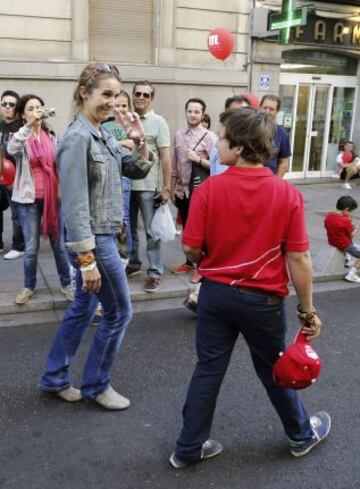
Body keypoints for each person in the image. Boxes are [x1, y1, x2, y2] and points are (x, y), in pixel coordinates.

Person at [169, 108, 330, 469]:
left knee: (208, 369)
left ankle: (188, 448)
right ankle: (300, 436)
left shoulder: (210, 189)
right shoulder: (286, 194)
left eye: (223, 139)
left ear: (239, 148)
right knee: (274, 368)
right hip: (263, 300)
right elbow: (299, 259)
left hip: (215, 294)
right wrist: (308, 309)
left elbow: (190, 248)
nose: (218, 145)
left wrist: (208, 257)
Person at [39, 63, 154, 409]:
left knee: (83, 308)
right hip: (95, 240)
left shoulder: (101, 132)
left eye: (116, 94)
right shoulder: (77, 138)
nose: (112, 101)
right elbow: (73, 206)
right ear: (83, 94)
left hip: (102, 237)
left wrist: (139, 138)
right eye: (105, 94)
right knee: (119, 312)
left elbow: (134, 167)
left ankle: (55, 377)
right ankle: (96, 385)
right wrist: (87, 260)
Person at [7, 94, 74, 305]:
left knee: (60, 245)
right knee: (31, 247)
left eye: (38, 107)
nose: (36, 111)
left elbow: (59, 164)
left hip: (53, 199)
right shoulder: (21, 136)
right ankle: (28, 286)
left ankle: (67, 284)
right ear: (23, 114)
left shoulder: (51, 136)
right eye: (30, 108)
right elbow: (12, 149)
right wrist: (27, 126)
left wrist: (62, 188)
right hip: (29, 200)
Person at [126, 80, 171, 293]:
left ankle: (154, 272)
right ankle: (133, 264)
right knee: (129, 229)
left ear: (151, 98)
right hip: (125, 185)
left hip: (147, 186)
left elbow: (165, 157)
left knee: (152, 232)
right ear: (132, 96)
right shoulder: (124, 120)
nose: (141, 98)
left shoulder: (159, 122)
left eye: (146, 95)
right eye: (138, 94)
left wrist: (166, 187)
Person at [171, 98, 217, 276]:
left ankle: (203, 266)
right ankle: (190, 262)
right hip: (182, 192)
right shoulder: (179, 134)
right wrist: (171, 187)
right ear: (186, 112)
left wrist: (198, 159)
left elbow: (217, 166)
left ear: (202, 114)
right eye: (190, 111)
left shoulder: (210, 137)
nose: (193, 114)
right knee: (187, 228)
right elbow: (175, 166)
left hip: (200, 191)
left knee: (201, 229)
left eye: (197, 112)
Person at [102, 89, 134, 260]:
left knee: (124, 216)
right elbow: (104, 147)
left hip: (124, 178)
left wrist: (116, 143)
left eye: (124, 105)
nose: (120, 109)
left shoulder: (131, 126)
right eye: (118, 105)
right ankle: (113, 253)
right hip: (107, 177)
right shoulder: (105, 126)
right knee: (110, 216)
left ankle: (124, 255)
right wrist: (122, 143)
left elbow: (133, 146)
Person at [0, 90, 25, 258]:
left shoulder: (22, 128)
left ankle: (19, 246)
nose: (8, 107)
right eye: (4, 104)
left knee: (17, 213)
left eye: (11, 104)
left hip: (16, 175)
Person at [210, 94, 251, 176]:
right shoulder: (217, 148)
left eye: (243, 112)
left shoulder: (255, 147)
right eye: (234, 112)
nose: (239, 117)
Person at [324, 195, 360, 283]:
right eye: (351, 211)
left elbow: (329, 226)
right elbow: (351, 236)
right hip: (344, 245)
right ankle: (351, 274)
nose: (351, 214)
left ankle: (347, 259)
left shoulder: (329, 216)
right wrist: (356, 228)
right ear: (346, 209)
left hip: (332, 241)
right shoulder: (346, 220)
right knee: (351, 244)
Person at [260, 94, 291, 178]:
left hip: (269, 181)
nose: (267, 111)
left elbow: (283, 162)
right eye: (265, 108)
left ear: (277, 112)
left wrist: (276, 182)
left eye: (271, 109)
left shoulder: (281, 133)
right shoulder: (249, 129)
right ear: (259, 108)